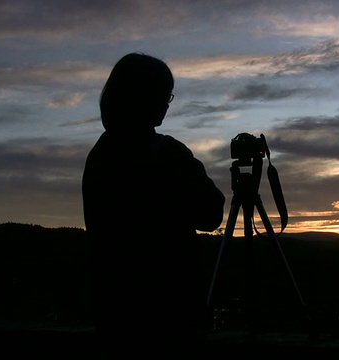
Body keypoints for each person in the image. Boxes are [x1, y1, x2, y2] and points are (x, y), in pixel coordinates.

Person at [82, 53, 225, 350]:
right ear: (144, 97)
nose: (165, 104)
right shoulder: (167, 154)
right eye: (163, 95)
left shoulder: (101, 154)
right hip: (168, 308)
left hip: (114, 308)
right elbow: (210, 215)